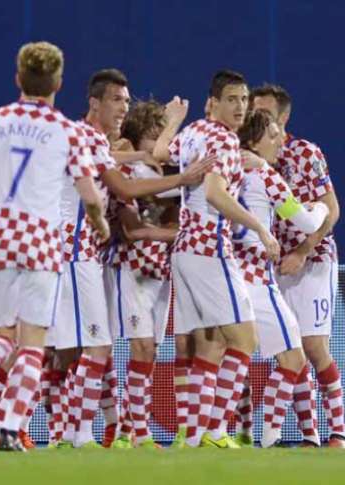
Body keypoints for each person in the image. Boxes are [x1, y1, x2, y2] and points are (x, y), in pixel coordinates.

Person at [0, 41, 109, 452]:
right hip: (42, 242)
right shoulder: (67, 131)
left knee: (2, 335)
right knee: (33, 343)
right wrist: (100, 223)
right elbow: (90, 196)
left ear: (18, 78)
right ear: (58, 81)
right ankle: (6, 428)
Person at [50, 69, 212, 448]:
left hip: (91, 255)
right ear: (94, 102)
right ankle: (72, 432)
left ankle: (78, 433)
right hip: (78, 253)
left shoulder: (101, 143)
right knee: (76, 348)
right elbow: (125, 188)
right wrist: (181, 179)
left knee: (82, 348)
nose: (124, 106)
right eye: (116, 100)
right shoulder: (88, 137)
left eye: (126, 100)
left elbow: (137, 157)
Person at [157, 70, 280, 449]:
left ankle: (192, 437)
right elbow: (214, 193)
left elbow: (162, 154)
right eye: (232, 99)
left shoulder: (194, 131)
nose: (240, 106)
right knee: (245, 340)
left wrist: (173, 121)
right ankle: (214, 432)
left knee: (209, 344)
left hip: (183, 251)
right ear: (213, 101)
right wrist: (260, 227)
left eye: (244, 99)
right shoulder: (224, 140)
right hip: (210, 250)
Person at [251, 84, 345, 448]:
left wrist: (304, 250)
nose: (258, 118)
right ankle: (309, 435)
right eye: (253, 111)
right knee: (287, 349)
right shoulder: (246, 157)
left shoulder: (305, 153)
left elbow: (332, 209)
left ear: (284, 117)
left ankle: (338, 432)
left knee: (312, 346)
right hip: (270, 265)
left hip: (312, 260)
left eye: (266, 113)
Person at [233, 109, 329, 447]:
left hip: (225, 276)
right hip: (257, 278)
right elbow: (306, 222)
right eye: (272, 135)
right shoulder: (266, 177)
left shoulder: (225, 169)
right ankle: (270, 439)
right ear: (255, 140)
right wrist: (322, 209)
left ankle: (209, 433)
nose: (279, 141)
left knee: (219, 360)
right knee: (293, 358)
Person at [105, 99, 181, 449]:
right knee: (139, 346)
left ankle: (127, 430)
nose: (160, 145)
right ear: (138, 140)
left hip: (160, 270)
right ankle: (137, 433)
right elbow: (134, 232)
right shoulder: (132, 172)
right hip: (131, 267)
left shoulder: (161, 172)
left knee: (148, 353)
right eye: (153, 137)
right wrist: (182, 233)